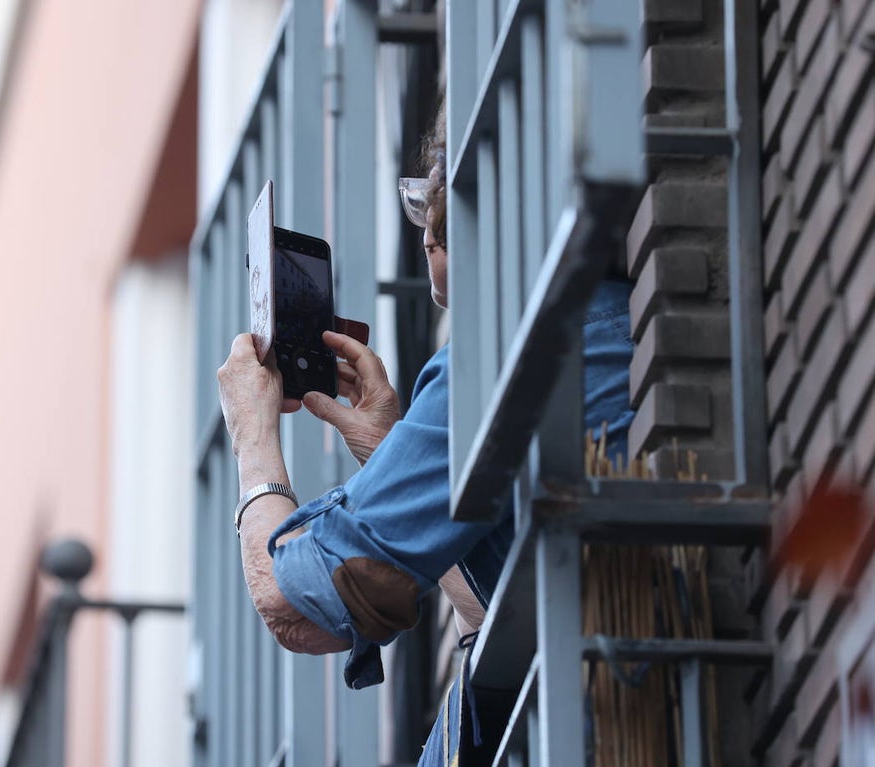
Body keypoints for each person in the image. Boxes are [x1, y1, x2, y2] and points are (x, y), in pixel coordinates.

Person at [217, 103, 635, 765]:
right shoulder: (619, 326)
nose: (427, 242)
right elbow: (492, 600)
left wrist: (251, 435)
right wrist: (397, 454)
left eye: (430, 211)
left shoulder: (499, 357)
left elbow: (295, 604)